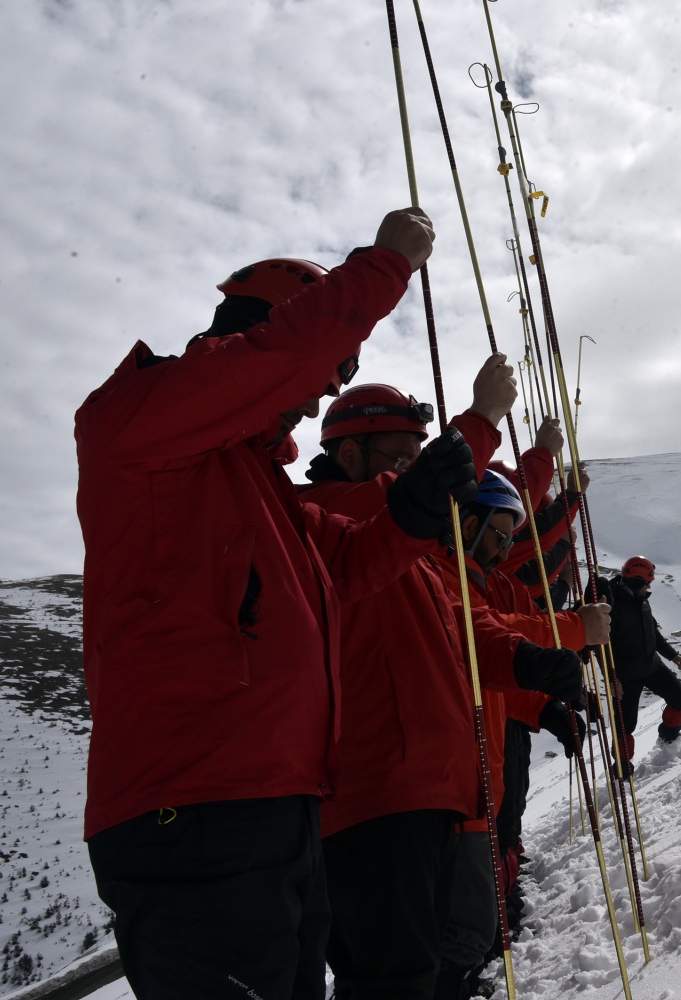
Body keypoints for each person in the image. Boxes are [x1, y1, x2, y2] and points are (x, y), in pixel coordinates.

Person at [76, 208, 487, 1000]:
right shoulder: (137, 418)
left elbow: (348, 559)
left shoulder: (258, 486)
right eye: (319, 379)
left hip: (276, 804)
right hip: (193, 810)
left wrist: (415, 514)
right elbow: (270, 362)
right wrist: (384, 269)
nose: (310, 406)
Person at [298, 372, 579, 999]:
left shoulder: (411, 553)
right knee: (394, 976)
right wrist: (480, 422)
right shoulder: (320, 518)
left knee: (446, 952)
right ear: (351, 456)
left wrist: (532, 669)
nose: (413, 477)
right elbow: (404, 505)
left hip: (438, 787)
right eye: (401, 460)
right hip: (373, 792)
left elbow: (463, 624)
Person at [435, 472, 608, 1000]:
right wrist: (573, 629)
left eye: (512, 536)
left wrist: (547, 709)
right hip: (445, 771)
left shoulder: (490, 580)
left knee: (476, 893)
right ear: (466, 524)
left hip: (483, 758)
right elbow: (486, 640)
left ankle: (487, 941)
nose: (507, 546)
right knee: (431, 936)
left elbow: (499, 666)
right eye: (500, 533)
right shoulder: (442, 577)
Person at [604, 556, 681, 776]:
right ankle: (621, 766)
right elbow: (601, 647)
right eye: (646, 584)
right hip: (625, 676)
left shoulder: (642, 601)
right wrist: (612, 678)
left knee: (680, 700)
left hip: (652, 666)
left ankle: (668, 736)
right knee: (624, 727)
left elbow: (653, 633)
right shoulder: (612, 607)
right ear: (634, 582)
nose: (649, 588)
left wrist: (672, 655)